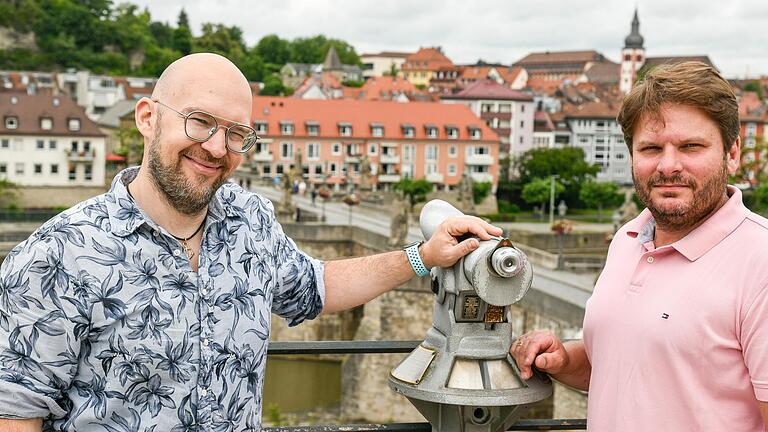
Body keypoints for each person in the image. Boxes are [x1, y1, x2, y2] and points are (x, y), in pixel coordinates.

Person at [0, 53, 502, 431]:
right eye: (199, 122)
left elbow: (316, 286)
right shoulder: (55, 257)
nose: (217, 148)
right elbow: (16, 414)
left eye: (237, 133)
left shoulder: (249, 220)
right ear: (148, 118)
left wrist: (424, 256)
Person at [511, 61, 768, 431]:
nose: (668, 165)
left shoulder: (759, 263)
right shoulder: (628, 240)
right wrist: (565, 360)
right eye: (650, 148)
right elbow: (627, 370)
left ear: (732, 153)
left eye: (690, 146)